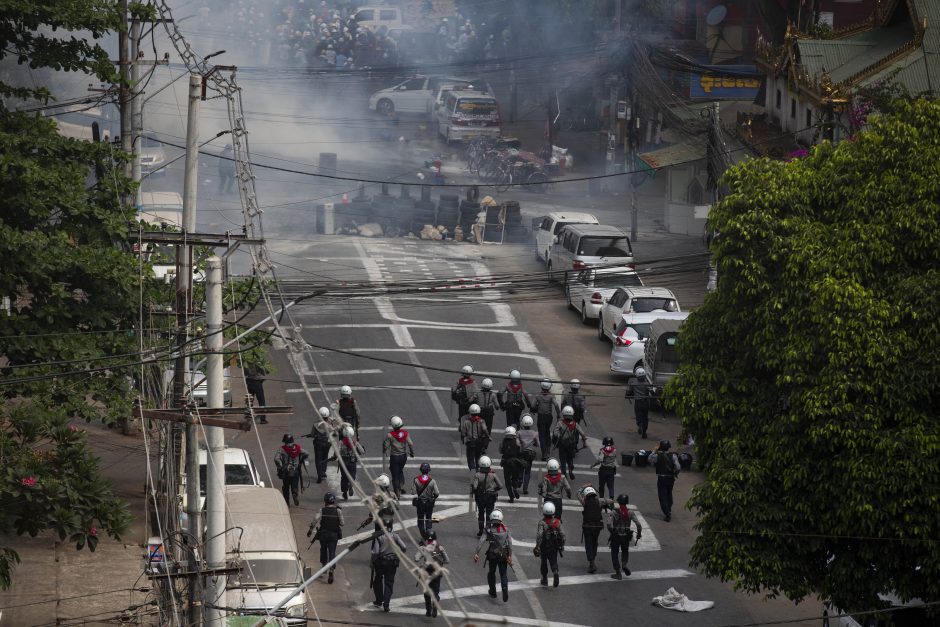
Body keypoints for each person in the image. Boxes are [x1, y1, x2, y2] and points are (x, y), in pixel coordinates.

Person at [473, 509, 512, 602]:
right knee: (503, 574)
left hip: (492, 555)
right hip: (503, 555)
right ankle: (504, 587)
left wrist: (476, 553)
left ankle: (493, 591)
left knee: (491, 573)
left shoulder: (488, 529)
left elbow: (481, 542)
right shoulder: (506, 529)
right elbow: (510, 543)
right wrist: (510, 555)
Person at [371, 520, 408, 612]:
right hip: (392, 562)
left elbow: (375, 552)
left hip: (380, 562)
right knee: (389, 583)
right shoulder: (395, 535)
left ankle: (379, 601)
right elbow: (404, 547)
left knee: (377, 581)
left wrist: (372, 561)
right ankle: (386, 604)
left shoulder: (378, 536)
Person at [307, 492, 344, 584]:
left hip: (323, 534)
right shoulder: (338, 511)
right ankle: (331, 569)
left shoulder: (322, 510)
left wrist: (310, 530)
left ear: (325, 501)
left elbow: (315, 520)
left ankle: (324, 567)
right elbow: (342, 523)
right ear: (333, 501)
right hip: (334, 535)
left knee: (323, 549)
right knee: (332, 552)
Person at [605, 493, 642, 578]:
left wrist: (612, 532)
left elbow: (608, 524)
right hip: (626, 536)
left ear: (619, 502)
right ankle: (624, 565)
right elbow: (638, 524)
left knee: (614, 553)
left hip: (616, 536)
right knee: (625, 551)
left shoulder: (614, 512)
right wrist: (639, 534)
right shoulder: (630, 512)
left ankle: (618, 573)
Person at [414, 530, 449, 617]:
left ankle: (428, 611)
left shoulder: (424, 548)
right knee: (435, 592)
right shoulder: (440, 547)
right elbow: (447, 561)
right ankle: (435, 602)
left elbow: (416, 559)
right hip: (437, 573)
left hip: (426, 573)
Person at [382, 415, 415, 499]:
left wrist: (384, 450)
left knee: (394, 474)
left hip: (394, 457)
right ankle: (401, 485)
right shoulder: (405, 433)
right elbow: (410, 443)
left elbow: (386, 446)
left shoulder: (390, 435)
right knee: (400, 470)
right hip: (403, 456)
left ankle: (397, 491)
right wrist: (412, 453)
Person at [535, 501, 565, 587]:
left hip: (544, 546)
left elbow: (539, 535)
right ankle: (555, 572)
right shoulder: (557, 522)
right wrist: (562, 545)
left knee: (543, 562)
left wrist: (538, 545)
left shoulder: (542, 523)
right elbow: (563, 535)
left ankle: (544, 579)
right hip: (554, 546)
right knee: (553, 561)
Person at [470, 455, 502, 537]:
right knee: (489, 514)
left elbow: (475, 487)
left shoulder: (477, 475)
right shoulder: (493, 475)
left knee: (481, 513)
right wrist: (494, 489)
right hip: (490, 497)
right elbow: (500, 485)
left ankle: (481, 530)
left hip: (480, 497)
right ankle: (488, 530)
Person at [551, 406, 587, 480]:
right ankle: (570, 469)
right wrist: (584, 443)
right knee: (570, 458)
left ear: (563, 414)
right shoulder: (575, 424)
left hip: (562, 444)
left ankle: (564, 474)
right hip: (571, 444)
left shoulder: (560, 423)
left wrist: (559, 435)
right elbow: (583, 434)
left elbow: (555, 433)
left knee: (562, 460)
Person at [649, 439, 680, 521]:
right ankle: (669, 509)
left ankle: (667, 513)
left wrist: (654, 451)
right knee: (669, 494)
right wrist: (675, 473)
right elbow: (678, 467)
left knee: (662, 496)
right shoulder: (673, 456)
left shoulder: (657, 456)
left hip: (662, 478)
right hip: (671, 478)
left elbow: (649, 459)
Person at [274, 433, 308, 506]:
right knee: (294, 485)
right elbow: (306, 453)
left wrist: (280, 466)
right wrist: (301, 459)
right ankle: (294, 494)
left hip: (286, 471)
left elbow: (276, 459)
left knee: (286, 487)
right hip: (296, 471)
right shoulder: (297, 448)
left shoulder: (282, 449)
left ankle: (287, 503)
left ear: (285, 441)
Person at [530, 379, 560, 461]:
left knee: (542, 435)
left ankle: (544, 453)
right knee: (547, 432)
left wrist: (537, 406)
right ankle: (548, 449)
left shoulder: (538, 395)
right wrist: (559, 415)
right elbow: (556, 405)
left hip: (541, 417)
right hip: (549, 417)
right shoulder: (551, 396)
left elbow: (532, 405)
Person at [577, 486, 603, 573]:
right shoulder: (599, 501)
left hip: (587, 527)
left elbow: (577, 493)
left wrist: (583, 487)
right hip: (597, 527)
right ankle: (592, 560)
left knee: (589, 544)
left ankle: (592, 563)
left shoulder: (585, 502)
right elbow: (610, 501)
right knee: (594, 542)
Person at [413, 462, 440, 540]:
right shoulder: (432, 481)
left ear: (421, 470)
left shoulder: (416, 480)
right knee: (428, 519)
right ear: (429, 470)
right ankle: (429, 535)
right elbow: (437, 493)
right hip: (429, 503)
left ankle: (424, 536)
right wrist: (433, 498)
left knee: (420, 520)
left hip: (420, 503)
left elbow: (413, 492)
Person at [459, 404, 490, 471]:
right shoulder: (482, 421)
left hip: (470, 442)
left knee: (470, 458)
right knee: (478, 457)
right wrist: (488, 437)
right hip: (479, 442)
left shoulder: (466, 422)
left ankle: (472, 471)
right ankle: (478, 470)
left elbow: (463, 433)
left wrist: (464, 438)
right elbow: (485, 430)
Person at [338, 423, 364, 500]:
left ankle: (344, 492)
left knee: (343, 477)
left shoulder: (341, 442)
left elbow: (337, 451)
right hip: (352, 462)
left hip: (343, 462)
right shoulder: (354, 442)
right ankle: (350, 483)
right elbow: (362, 451)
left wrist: (334, 457)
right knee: (352, 474)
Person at [625, 367, 652, 438]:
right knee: (645, 417)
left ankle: (640, 424)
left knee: (638, 416)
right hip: (645, 403)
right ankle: (644, 433)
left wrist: (628, 395)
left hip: (638, 403)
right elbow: (650, 392)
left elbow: (629, 391)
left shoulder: (633, 383)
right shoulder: (647, 384)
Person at [309, 406, 334, 483]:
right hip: (327, 444)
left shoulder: (316, 424)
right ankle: (323, 472)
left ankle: (319, 474)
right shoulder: (330, 424)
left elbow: (312, 434)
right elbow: (334, 433)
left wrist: (312, 435)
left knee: (318, 459)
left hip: (318, 444)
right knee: (325, 457)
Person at [499, 425, 523, 503]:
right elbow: (520, 450)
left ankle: (511, 496)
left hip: (506, 463)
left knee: (507, 481)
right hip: (515, 462)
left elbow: (500, 451)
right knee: (515, 478)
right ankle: (515, 489)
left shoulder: (503, 441)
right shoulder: (517, 441)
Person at [517, 415, 539, 494]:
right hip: (529, 453)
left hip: (522, 452)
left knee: (520, 468)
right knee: (528, 471)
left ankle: (519, 480)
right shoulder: (534, 433)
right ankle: (525, 488)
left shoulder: (519, 432)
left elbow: (518, 444)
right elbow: (537, 444)